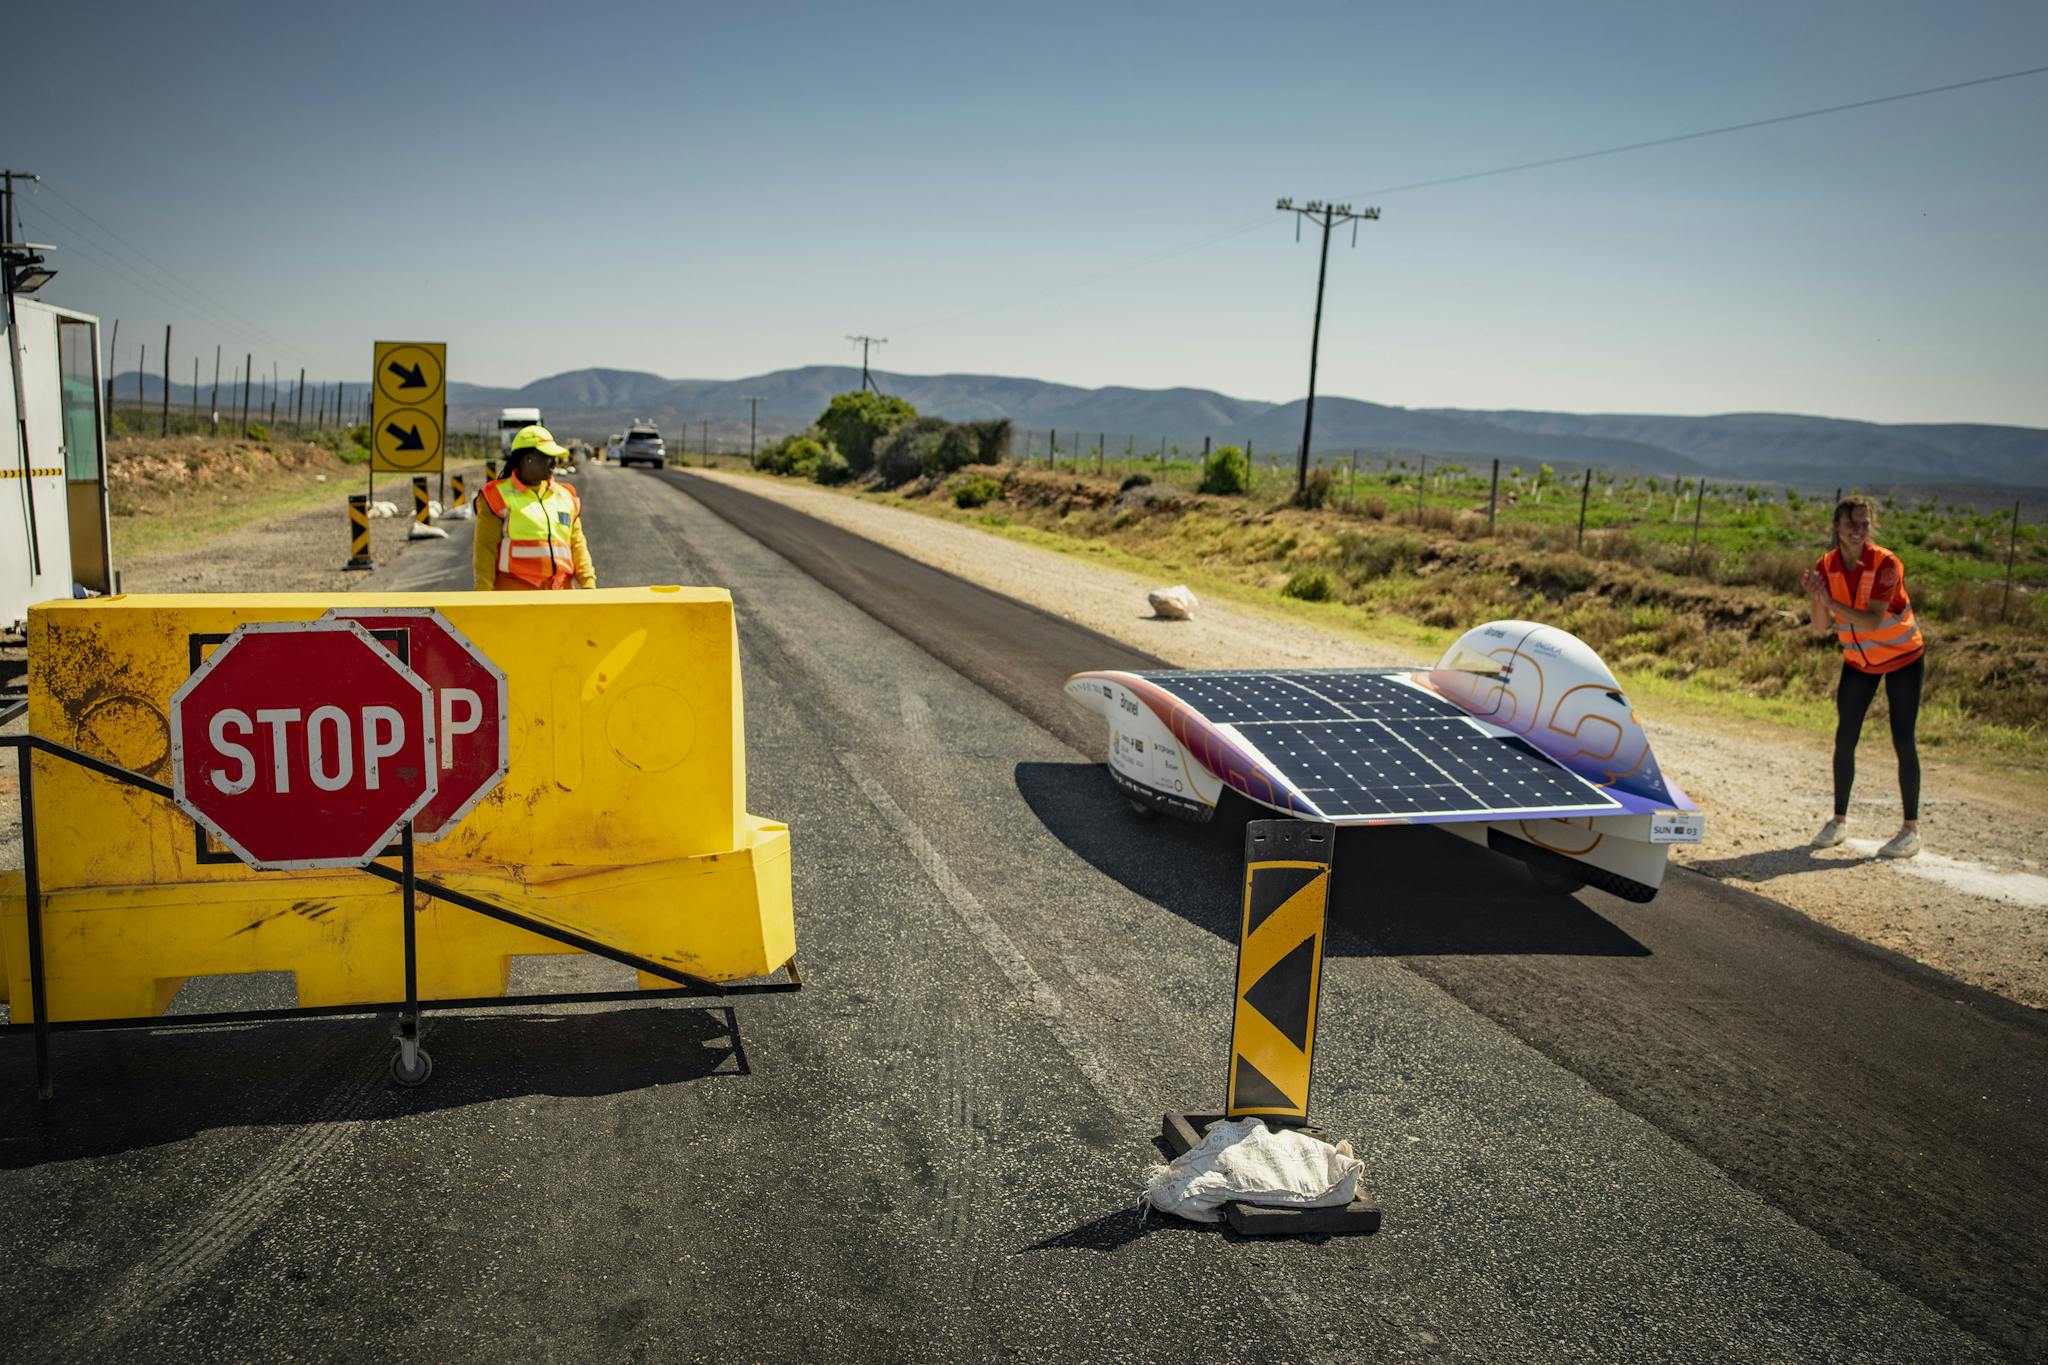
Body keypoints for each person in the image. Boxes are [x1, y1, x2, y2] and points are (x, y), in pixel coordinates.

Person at [1800, 495, 1923, 858]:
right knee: (1845, 737)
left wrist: (1830, 601)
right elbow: (1821, 627)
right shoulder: (1826, 565)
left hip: (1903, 659)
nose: (1859, 530)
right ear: (1837, 527)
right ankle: (1838, 820)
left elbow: (1872, 619)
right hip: (1859, 663)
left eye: (1865, 524)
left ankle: (1910, 830)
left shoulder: (1886, 564)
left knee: (1903, 738)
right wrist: (1816, 597)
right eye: (1852, 523)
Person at [472, 425, 597, 591]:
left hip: (561, 597)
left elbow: (578, 546)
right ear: (527, 458)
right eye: (547, 456)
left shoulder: (565, 496)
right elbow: (485, 550)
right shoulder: (497, 496)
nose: (554, 462)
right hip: (516, 598)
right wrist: (483, 596)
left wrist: (589, 585)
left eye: (554, 456)